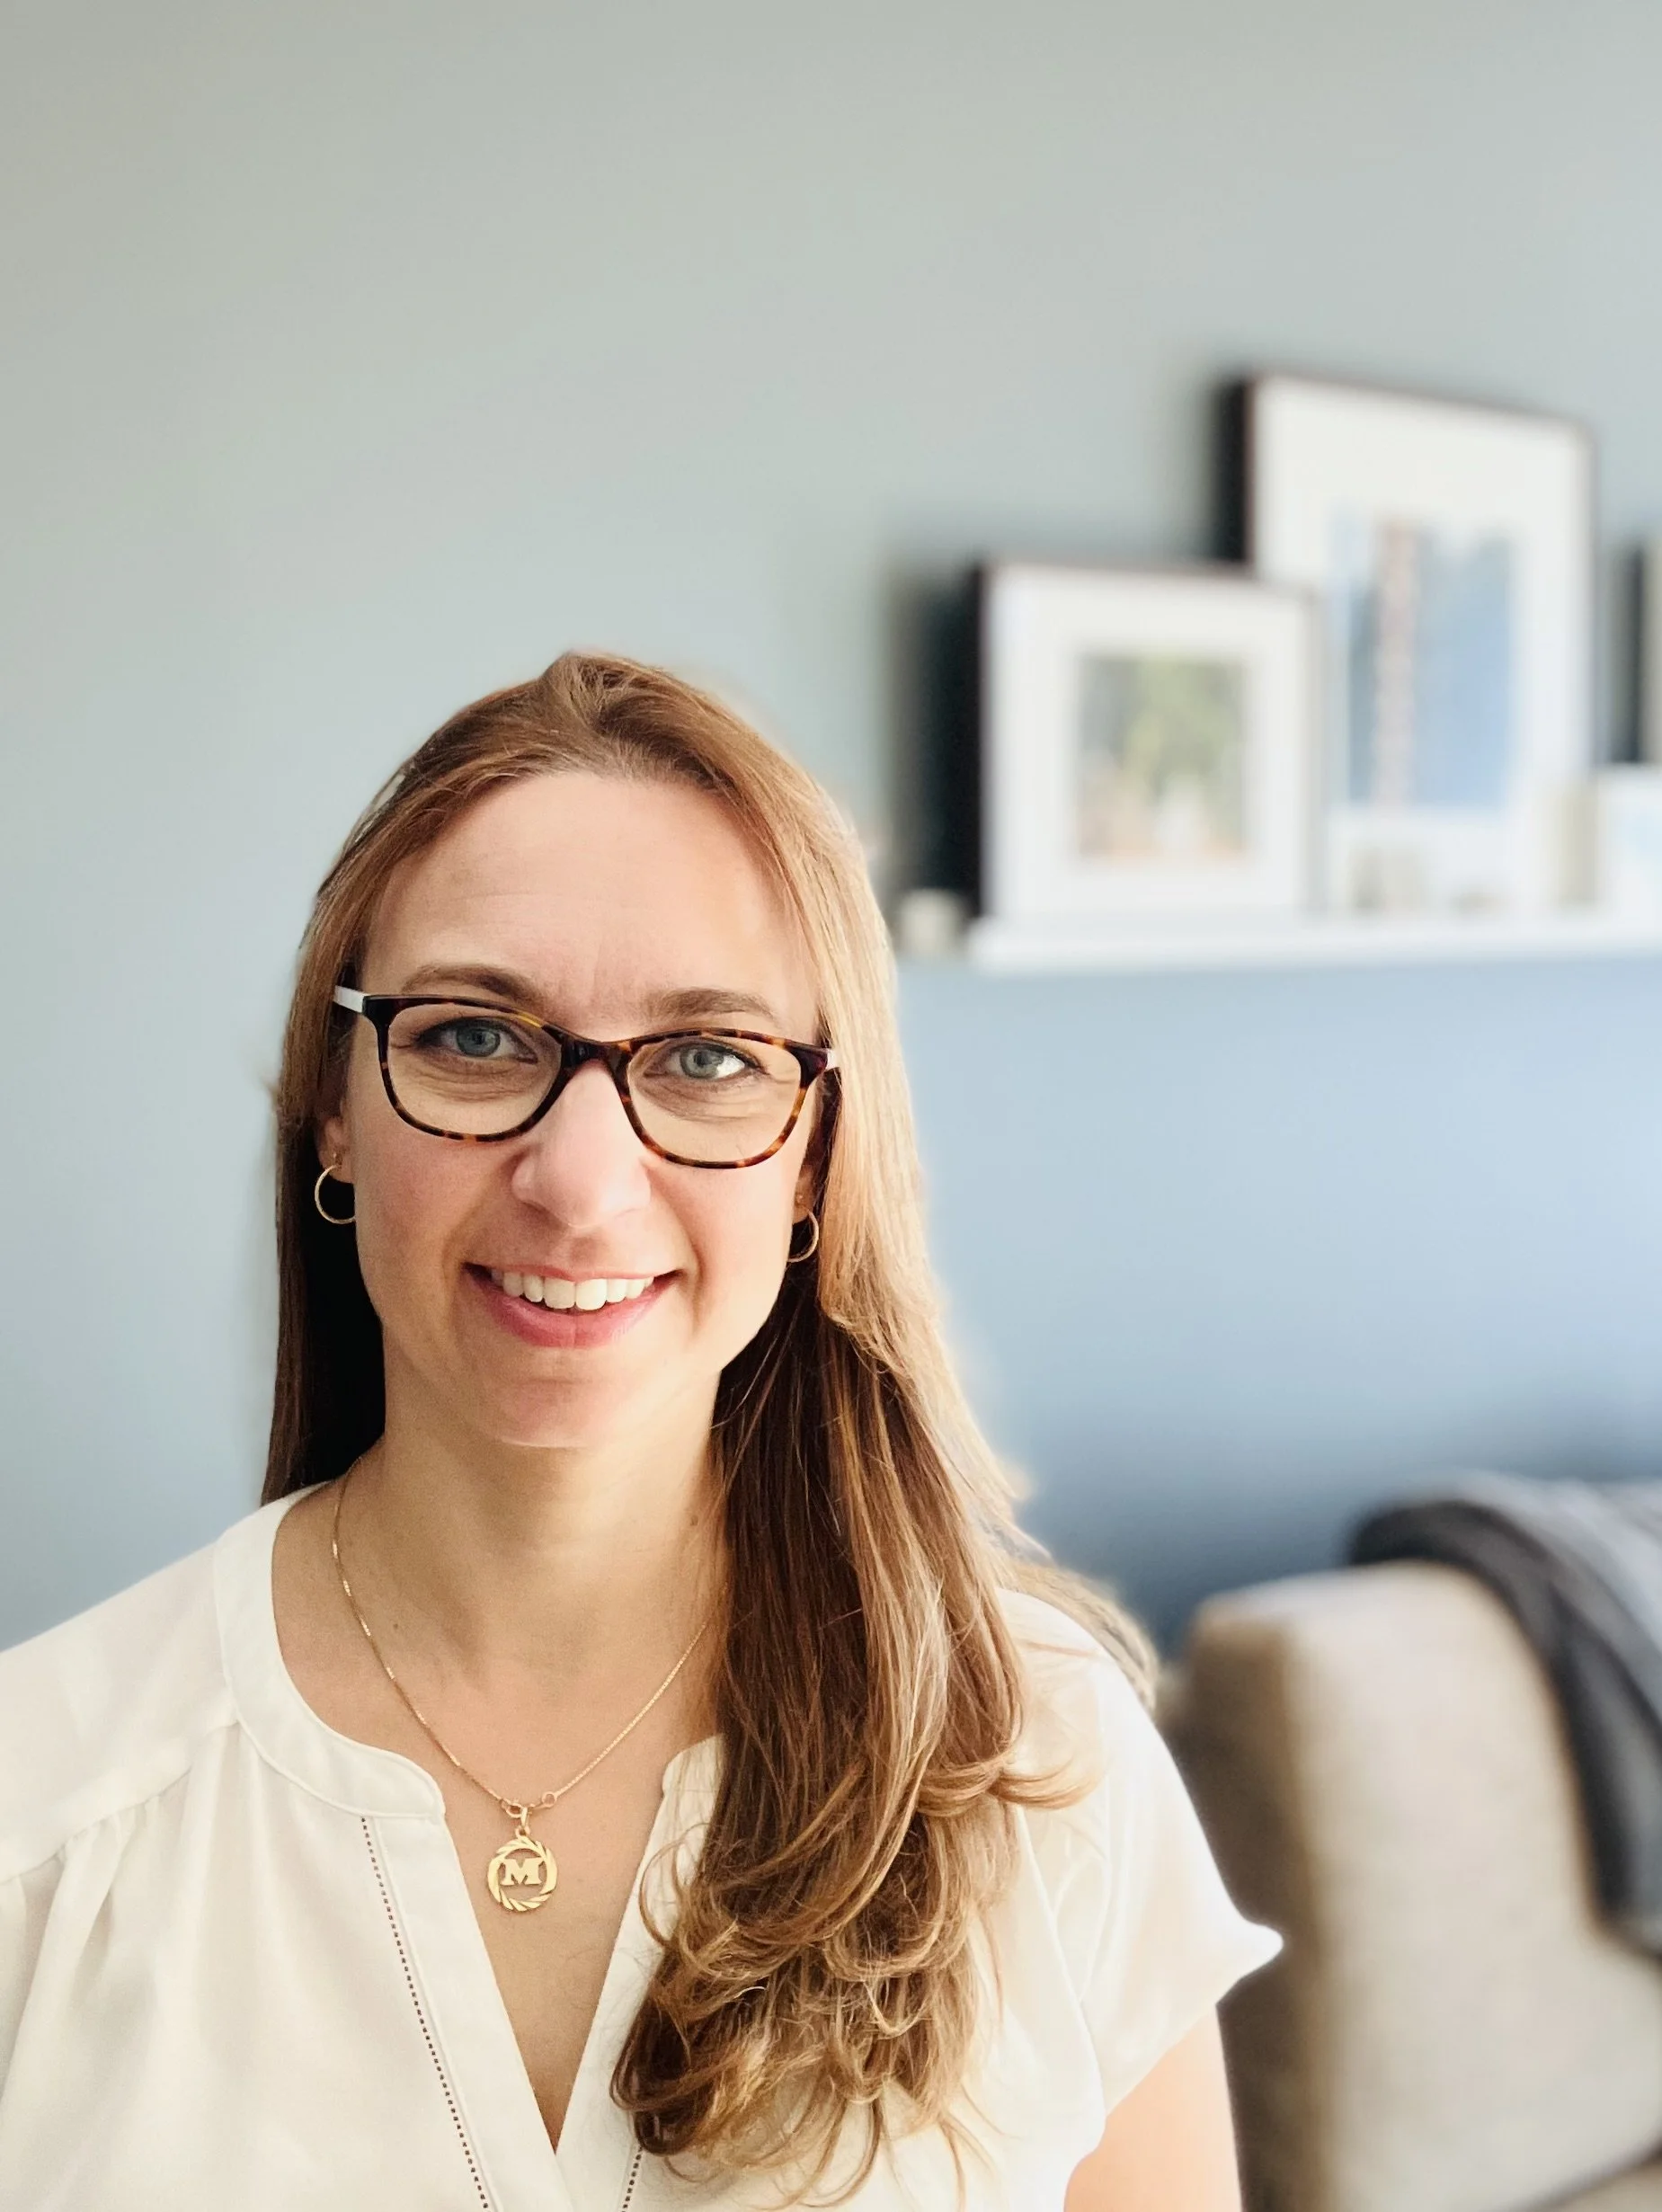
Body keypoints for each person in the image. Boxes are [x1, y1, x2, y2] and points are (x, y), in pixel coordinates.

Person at [0, 653, 1276, 2208]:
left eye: (709, 1059)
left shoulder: (1045, 1768)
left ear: (814, 1156)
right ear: (335, 1103)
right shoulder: (43, 1804)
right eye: (475, 1036)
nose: (581, 1181)